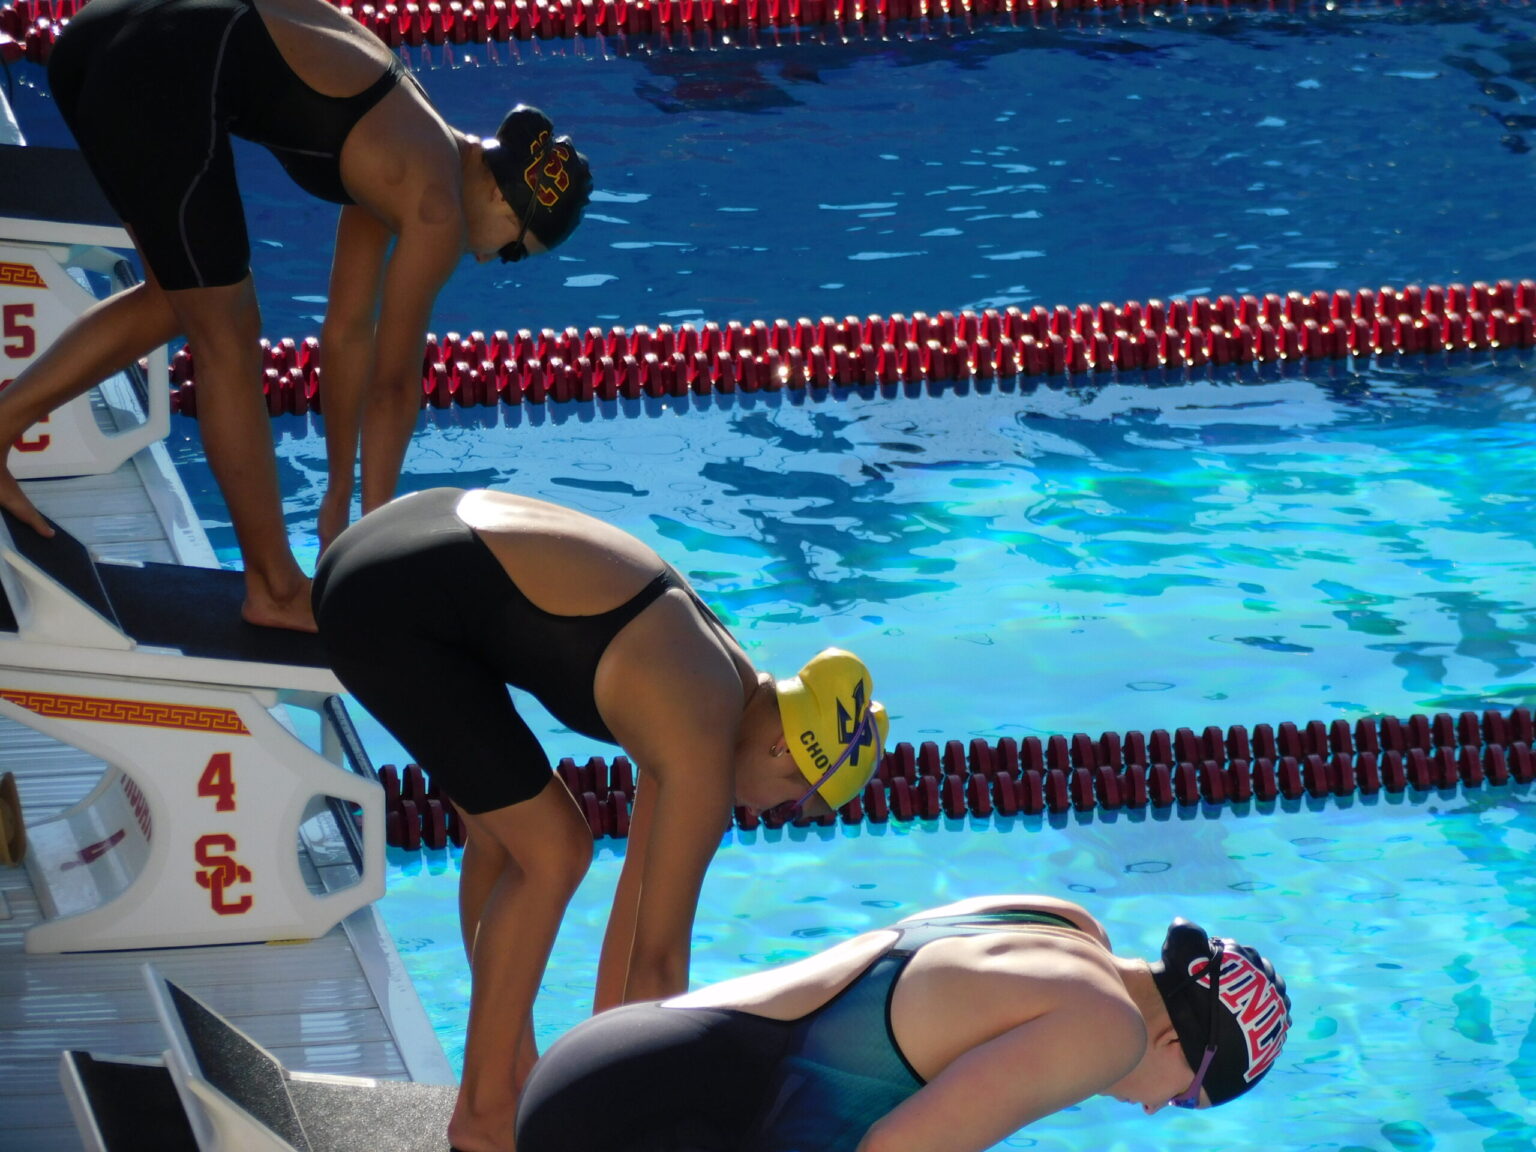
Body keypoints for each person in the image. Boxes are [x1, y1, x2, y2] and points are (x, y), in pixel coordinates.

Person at [312, 486, 889, 1152]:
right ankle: (485, 1113)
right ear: (785, 749)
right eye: (789, 802)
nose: (764, 815)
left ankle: (511, 1082)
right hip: (392, 598)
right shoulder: (701, 732)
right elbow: (659, 968)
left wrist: (590, 1097)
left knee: (507, 843)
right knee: (554, 851)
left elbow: (638, 924)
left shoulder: (714, 684)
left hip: (388, 548)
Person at [0, 0, 591, 631]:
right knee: (228, 332)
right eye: (512, 249)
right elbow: (393, 386)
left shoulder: (411, 141)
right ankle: (275, 589)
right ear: (504, 196)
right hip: (157, 67)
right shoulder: (436, 207)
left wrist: (338, 497)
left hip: (103, 36)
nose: (487, 259)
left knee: (176, 298)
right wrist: (377, 550)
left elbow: (346, 333)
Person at [514, 894, 1293, 1152]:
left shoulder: (1063, 924)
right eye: (1184, 1096)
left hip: (608, 1059)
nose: (1156, 1109)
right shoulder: (1108, 1030)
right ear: (1177, 1043)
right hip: (643, 1123)